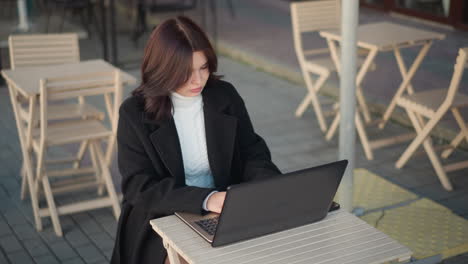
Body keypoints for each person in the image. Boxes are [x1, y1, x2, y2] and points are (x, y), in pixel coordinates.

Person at [110, 16, 281, 264]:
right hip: (161, 217)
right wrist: (206, 198)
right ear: (163, 70)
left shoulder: (224, 96)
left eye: (203, 67)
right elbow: (139, 186)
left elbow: (253, 153)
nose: (198, 80)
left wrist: (267, 189)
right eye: (185, 72)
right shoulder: (134, 113)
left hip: (224, 212)